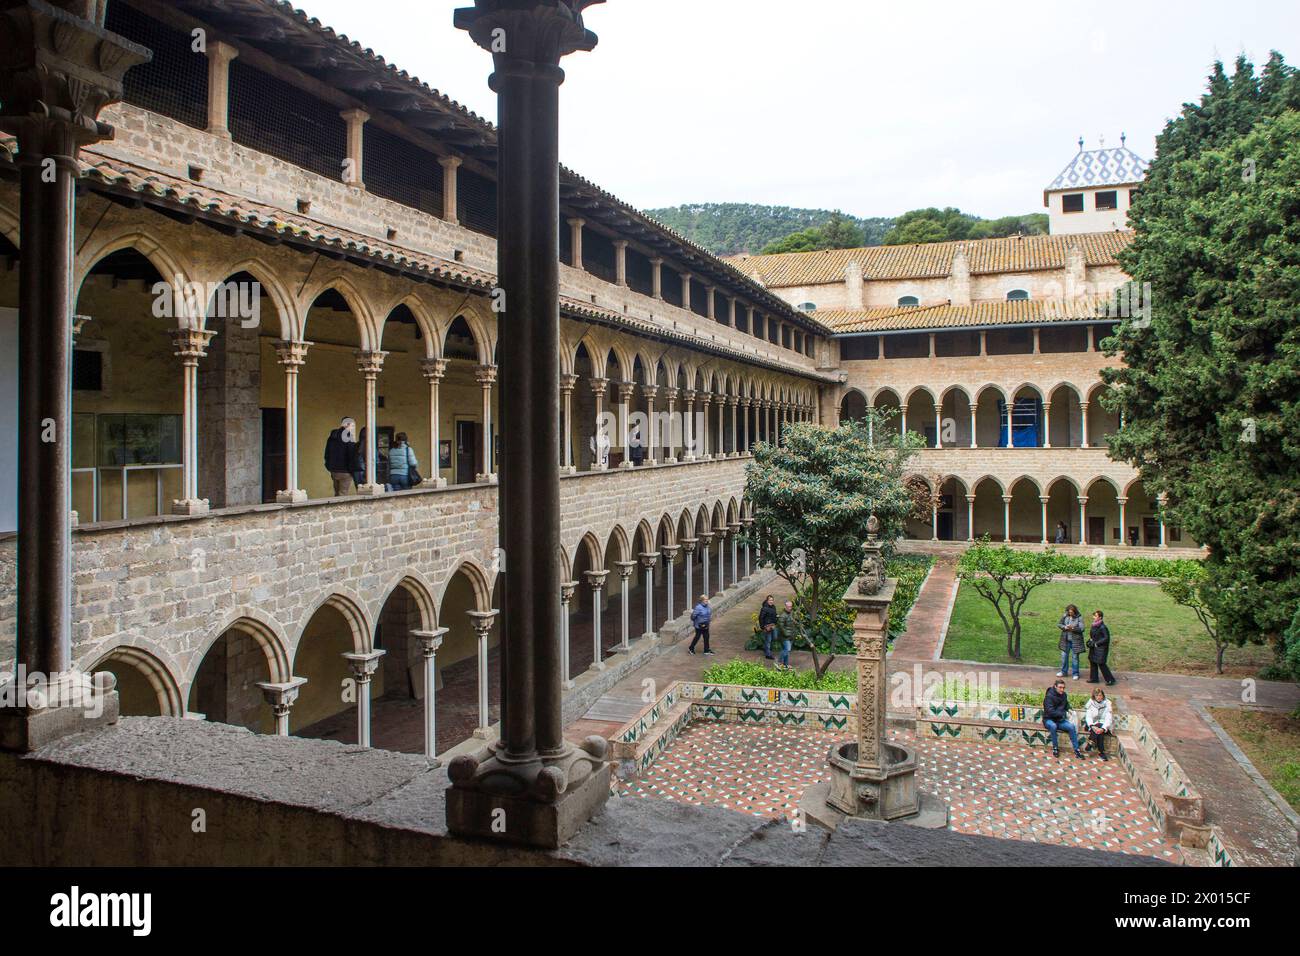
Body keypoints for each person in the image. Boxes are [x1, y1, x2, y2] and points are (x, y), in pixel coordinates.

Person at [1043, 678, 1083, 759]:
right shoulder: (1049, 697)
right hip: (1049, 719)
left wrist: (1070, 710)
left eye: (1063, 688)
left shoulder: (1064, 695)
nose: (1062, 689)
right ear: (1055, 687)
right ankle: (1055, 748)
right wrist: (1064, 714)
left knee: (1071, 727)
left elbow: (1066, 704)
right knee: (1053, 726)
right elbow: (1050, 712)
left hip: (1060, 720)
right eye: (1060, 687)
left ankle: (1077, 750)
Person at [324, 417, 362, 496]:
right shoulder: (348, 436)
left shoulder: (332, 436)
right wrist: (353, 470)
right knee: (343, 495)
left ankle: (335, 508)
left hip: (334, 470)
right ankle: (339, 509)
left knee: (337, 493)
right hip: (345, 471)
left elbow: (327, 453)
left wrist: (329, 466)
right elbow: (352, 454)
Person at [1086, 609, 1117, 685]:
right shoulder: (1094, 625)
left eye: (1095, 616)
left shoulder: (1103, 627)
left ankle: (1110, 680)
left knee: (1101, 664)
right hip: (1094, 648)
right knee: (1093, 662)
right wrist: (1090, 641)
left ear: (1100, 617)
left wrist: (1096, 643)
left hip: (1101, 649)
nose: (1094, 617)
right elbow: (1093, 635)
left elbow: (1106, 638)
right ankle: (1094, 678)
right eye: (1094, 615)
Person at [1083, 686, 1113, 760]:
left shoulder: (1107, 704)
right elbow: (1088, 717)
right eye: (1097, 695)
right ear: (1094, 696)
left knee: (1099, 728)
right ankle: (1101, 752)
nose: (1099, 697)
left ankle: (1090, 743)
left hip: (1104, 725)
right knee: (1098, 730)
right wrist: (1092, 726)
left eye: (1100, 695)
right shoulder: (1091, 703)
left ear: (1103, 695)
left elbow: (1108, 718)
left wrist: (1103, 728)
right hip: (1092, 724)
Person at [1057, 603, 1084, 680]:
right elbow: (1059, 624)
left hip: (1075, 641)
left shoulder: (1079, 618)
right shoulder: (1065, 616)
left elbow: (1082, 629)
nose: (1070, 613)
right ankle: (1063, 671)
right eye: (1069, 612)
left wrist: (1073, 628)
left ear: (1075, 611)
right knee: (1064, 657)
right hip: (1065, 640)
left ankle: (1075, 673)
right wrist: (1064, 627)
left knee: (1075, 658)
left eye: (1072, 612)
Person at [776, 599, 797, 671]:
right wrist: (787, 634)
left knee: (786, 650)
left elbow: (792, 623)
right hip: (784, 637)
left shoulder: (791, 613)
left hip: (790, 636)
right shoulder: (783, 615)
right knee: (787, 649)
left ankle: (785, 664)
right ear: (785, 606)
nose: (789, 608)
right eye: (788, 606)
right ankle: (778, 662)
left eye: (791, 606)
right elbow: (781, 627)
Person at [758, 595, 778, 660]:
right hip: (767, 626)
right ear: (767, 601)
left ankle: (765, 648)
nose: (771, 601)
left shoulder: (773, 607)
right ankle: (768, 655)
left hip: (773, 625)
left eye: (772, 600)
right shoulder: (764, 608)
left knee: (775, 637)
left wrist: (776, 618)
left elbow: (774, 615)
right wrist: (763, 626)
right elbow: (761, 618)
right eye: (770, 600)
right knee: (768, 640)